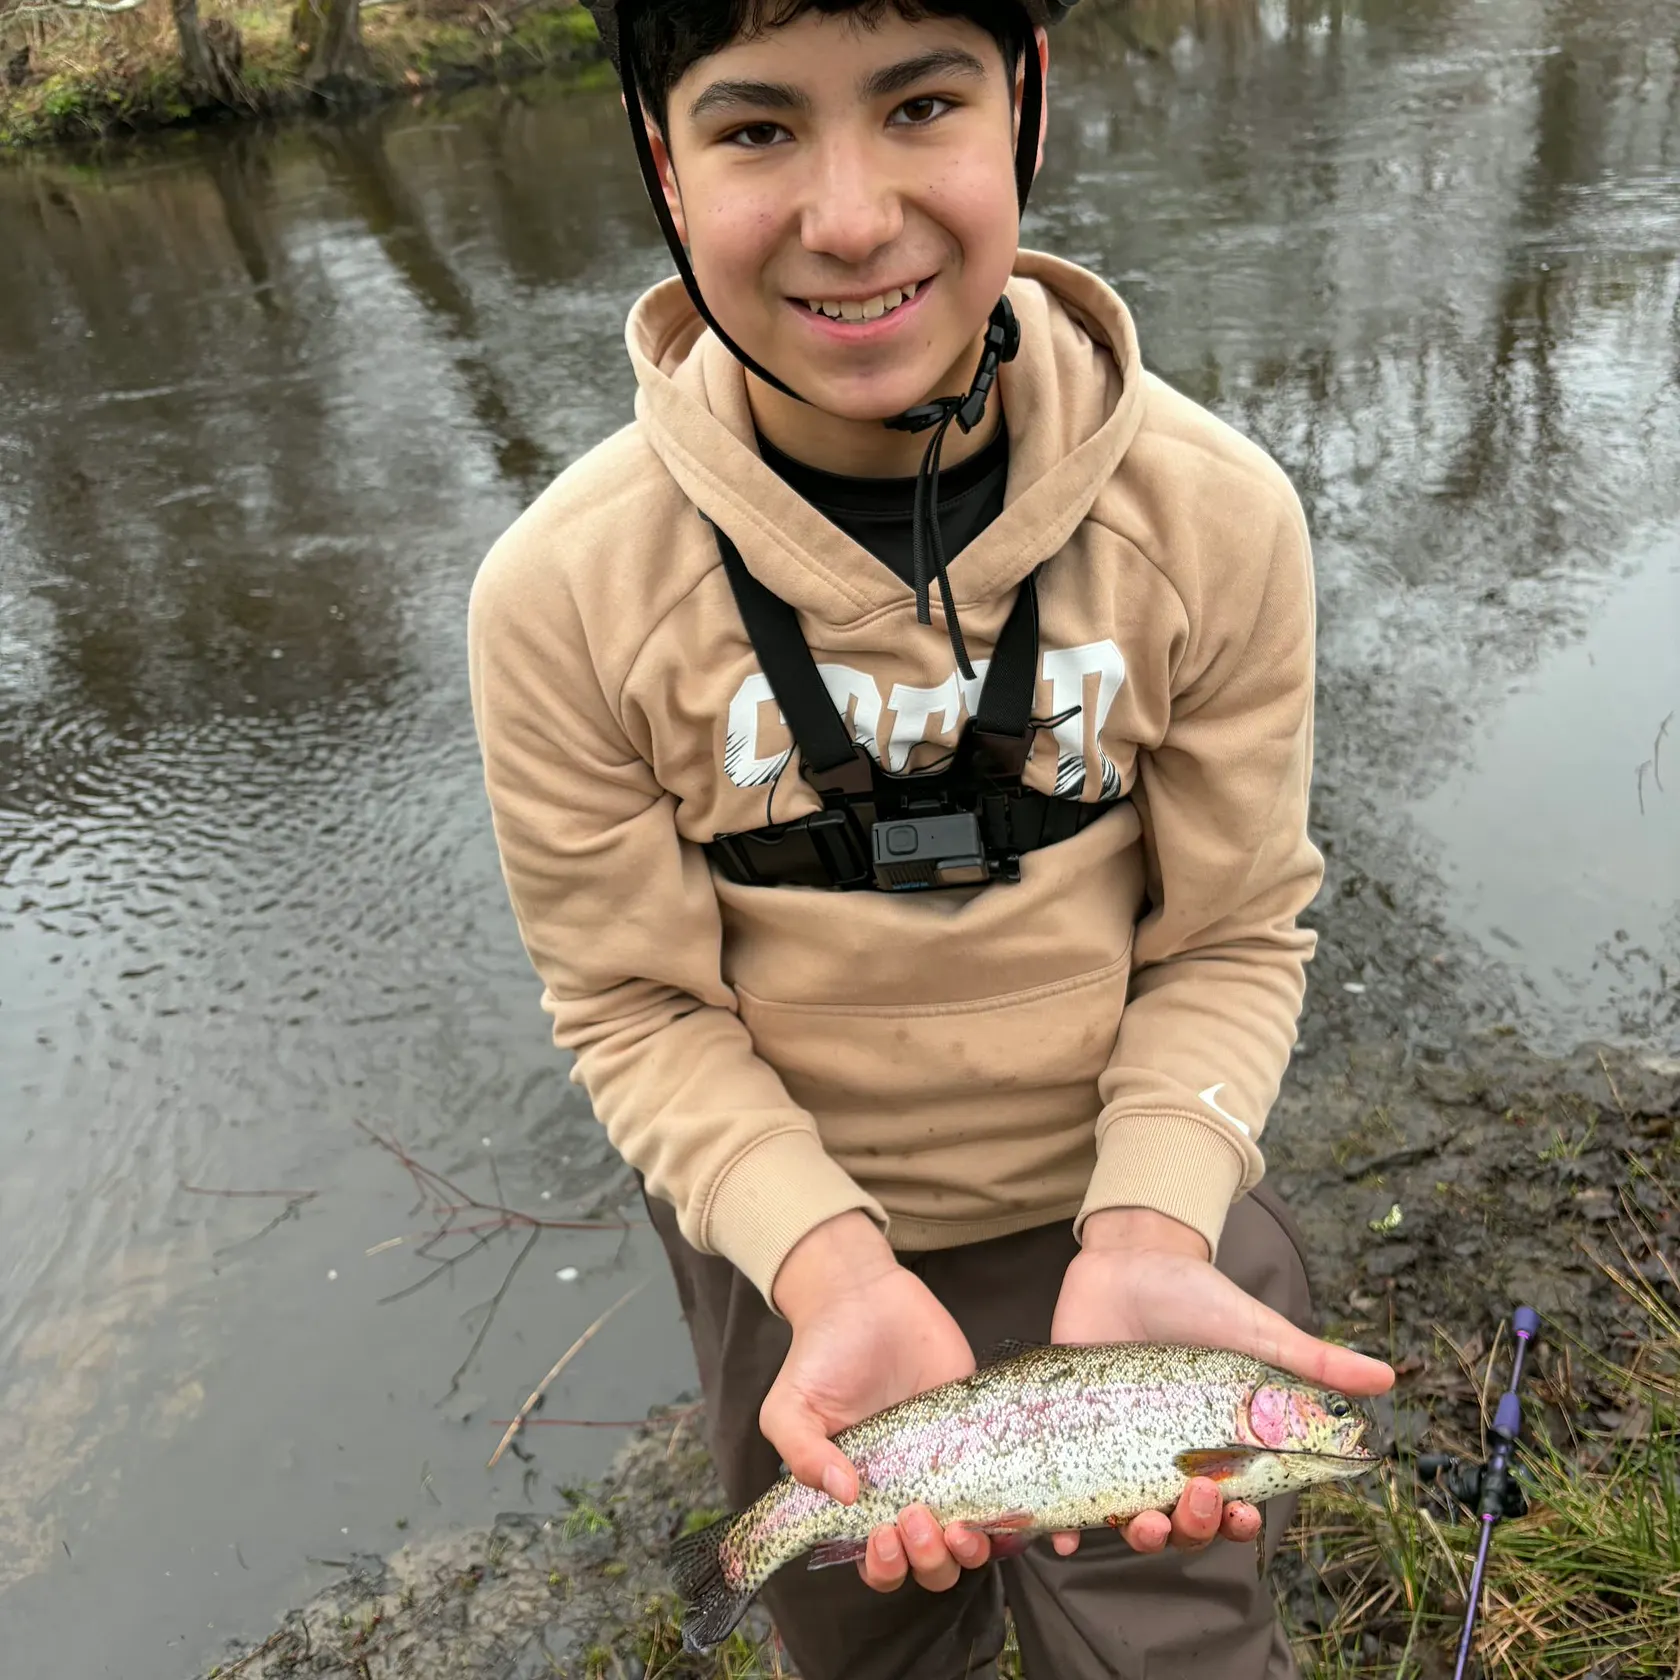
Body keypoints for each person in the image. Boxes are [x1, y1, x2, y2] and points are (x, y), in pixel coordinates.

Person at [467, 0, 1394, 1672]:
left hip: (1128, 1227)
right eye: (757, 129)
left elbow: (1235, 935)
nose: (847, 217)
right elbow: (635, 1008)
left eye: (919, 105)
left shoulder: (1218, 517)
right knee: (866, 1637)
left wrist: (1155, 1222)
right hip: (797, 1268)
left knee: (1174, 1635)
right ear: (663, 164)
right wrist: (824, 1270)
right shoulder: (558, 597)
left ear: (1029, 101)